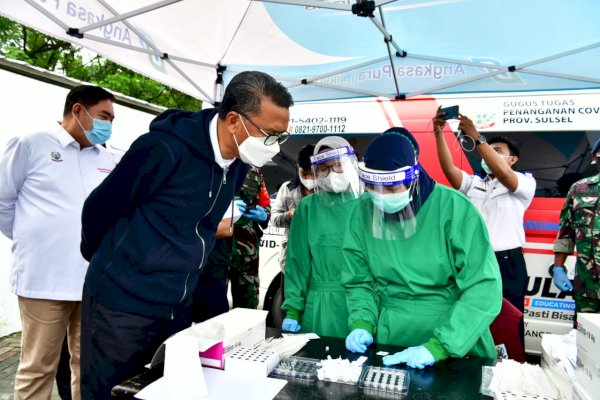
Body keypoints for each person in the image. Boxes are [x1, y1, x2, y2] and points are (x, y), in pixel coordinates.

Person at [79, 71, 293, 399]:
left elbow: (204, 231)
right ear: (234, 121)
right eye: (269, 135)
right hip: (121, 306)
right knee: (111, 393)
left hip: (175, 308)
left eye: (281, 137)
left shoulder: (237, 165)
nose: (274, 147)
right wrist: (114, 268)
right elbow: (99, 208)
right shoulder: (162, 149)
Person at [343, 128, 502, 369]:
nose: (381, 197)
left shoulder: (454, 208)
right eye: (373, 188)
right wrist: (362, 322)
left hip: (452, 333)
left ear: (413, 177)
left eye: (392, 188)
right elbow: (359, 280)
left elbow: (484, 286)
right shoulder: (362, 212)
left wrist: (441, 345)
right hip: (392, 333)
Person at [0, 85, 117, 400]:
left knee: (87, 366)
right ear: (78, 111)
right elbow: (2, 202)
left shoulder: (106, 158)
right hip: (44, 280)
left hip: (90, 282)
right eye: (104, 116)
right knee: (38, 367)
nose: (109, 125)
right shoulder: (31, 145)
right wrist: (32, 238)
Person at [433, 108, 536, 348]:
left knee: (508, 322)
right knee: (474, 318)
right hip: (476, 261)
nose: (489, 155)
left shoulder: (524, 183)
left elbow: (502, 172)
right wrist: (439, 132)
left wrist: (477, 137)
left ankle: (509, 372)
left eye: (497, 151)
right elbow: (449, 170)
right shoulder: (475, 183)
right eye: (490, 150)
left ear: (513, 160)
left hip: (506, 262)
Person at [281, 136, 363, 338]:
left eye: (337, 166)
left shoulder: (367, 205)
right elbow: (297, 263)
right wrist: (292, 310)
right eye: (324, 169)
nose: (331, 173)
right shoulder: (307, 208)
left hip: (360, 305)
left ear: (350, 164)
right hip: (318, 306)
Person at [551, 138, 600, 315]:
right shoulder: (579, 189)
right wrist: (558, 267)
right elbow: (566, 232)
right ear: (595, 156)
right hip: (587, 286)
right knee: (585, 339)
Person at [271, 144, 316, 305]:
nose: (309, 179)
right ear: (298, 169)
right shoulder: (288, 189)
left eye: (313, 174)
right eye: (305, 174)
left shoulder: (327, 191)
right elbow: (274, 218)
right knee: (289, 305)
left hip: (318, 260)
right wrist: (289, 215)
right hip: (291, 258)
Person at [226, 166, 271, 309]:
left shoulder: (254, 170)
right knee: (212, 306)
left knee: (248, 307)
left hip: (247, 253)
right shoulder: (215, 165)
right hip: (217, 250)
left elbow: (266, 205)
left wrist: (264, 215)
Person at [190, 201, 241, 323]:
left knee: (213, 325)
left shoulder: (221, 186)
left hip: (210, 268)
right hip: (179, 269)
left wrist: (187, 230)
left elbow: (227, 228)